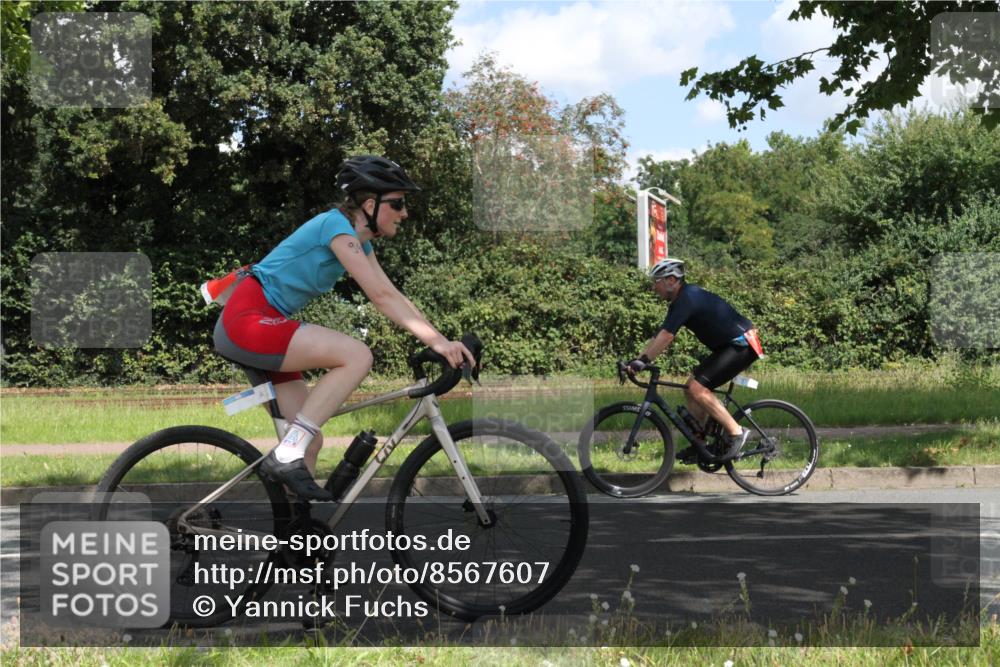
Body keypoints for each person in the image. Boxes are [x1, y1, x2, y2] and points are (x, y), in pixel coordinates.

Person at [213, 156, 475, 500]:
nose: (404, 213)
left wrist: (442, 341)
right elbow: (380, 296)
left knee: (310, 439)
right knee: (356, 355)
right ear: (370, 204)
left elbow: (393, 295)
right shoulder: (335, 227)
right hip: (248, 318)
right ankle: (286, 453)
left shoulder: (358, 242)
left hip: (260, 321)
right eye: (398, 204)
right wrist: (440, 343)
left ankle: (296, 542)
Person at [626, 258, 763, 462]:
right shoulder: (681, 301)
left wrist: (643, 361)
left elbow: (667, 337)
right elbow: (661, 334)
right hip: (728, 346)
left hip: (740, 346)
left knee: (697, 388)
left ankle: (737, 432)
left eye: (657, 281)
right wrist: (636, 361)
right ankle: (700, 444)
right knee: (690, 388)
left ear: (671, 280)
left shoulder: (687, 298)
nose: (654, 287)